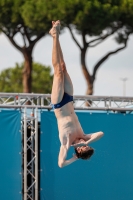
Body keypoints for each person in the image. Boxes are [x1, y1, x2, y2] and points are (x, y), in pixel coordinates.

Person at [49, 20, 104, 168]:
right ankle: (56, 36)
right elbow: (100, 133)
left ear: (78, 150)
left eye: (83, 147)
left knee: (58, 73)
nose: (83, 144)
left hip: (59, 103)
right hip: (69, 99)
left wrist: (73, 158)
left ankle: (54, 35)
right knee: (63, 67)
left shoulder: (66, 143)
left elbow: (61, 164)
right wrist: (87, 141)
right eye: (85, 146)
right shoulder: (84, 137)